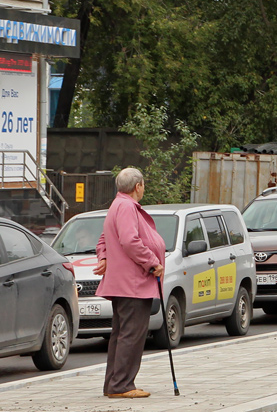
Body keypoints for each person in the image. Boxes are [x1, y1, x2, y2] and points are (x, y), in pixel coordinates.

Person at [94, 167, 165, 400]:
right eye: (144, 184)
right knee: (131, 334)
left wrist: (103, 257)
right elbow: (129, 240)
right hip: (133, 282)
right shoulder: (126, 206)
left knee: (122, 334)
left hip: (125, 282)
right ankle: (122, 385)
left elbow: (104, 238)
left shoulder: (118, 205)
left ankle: (114, 384)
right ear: (138, 186)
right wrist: (152, 262)